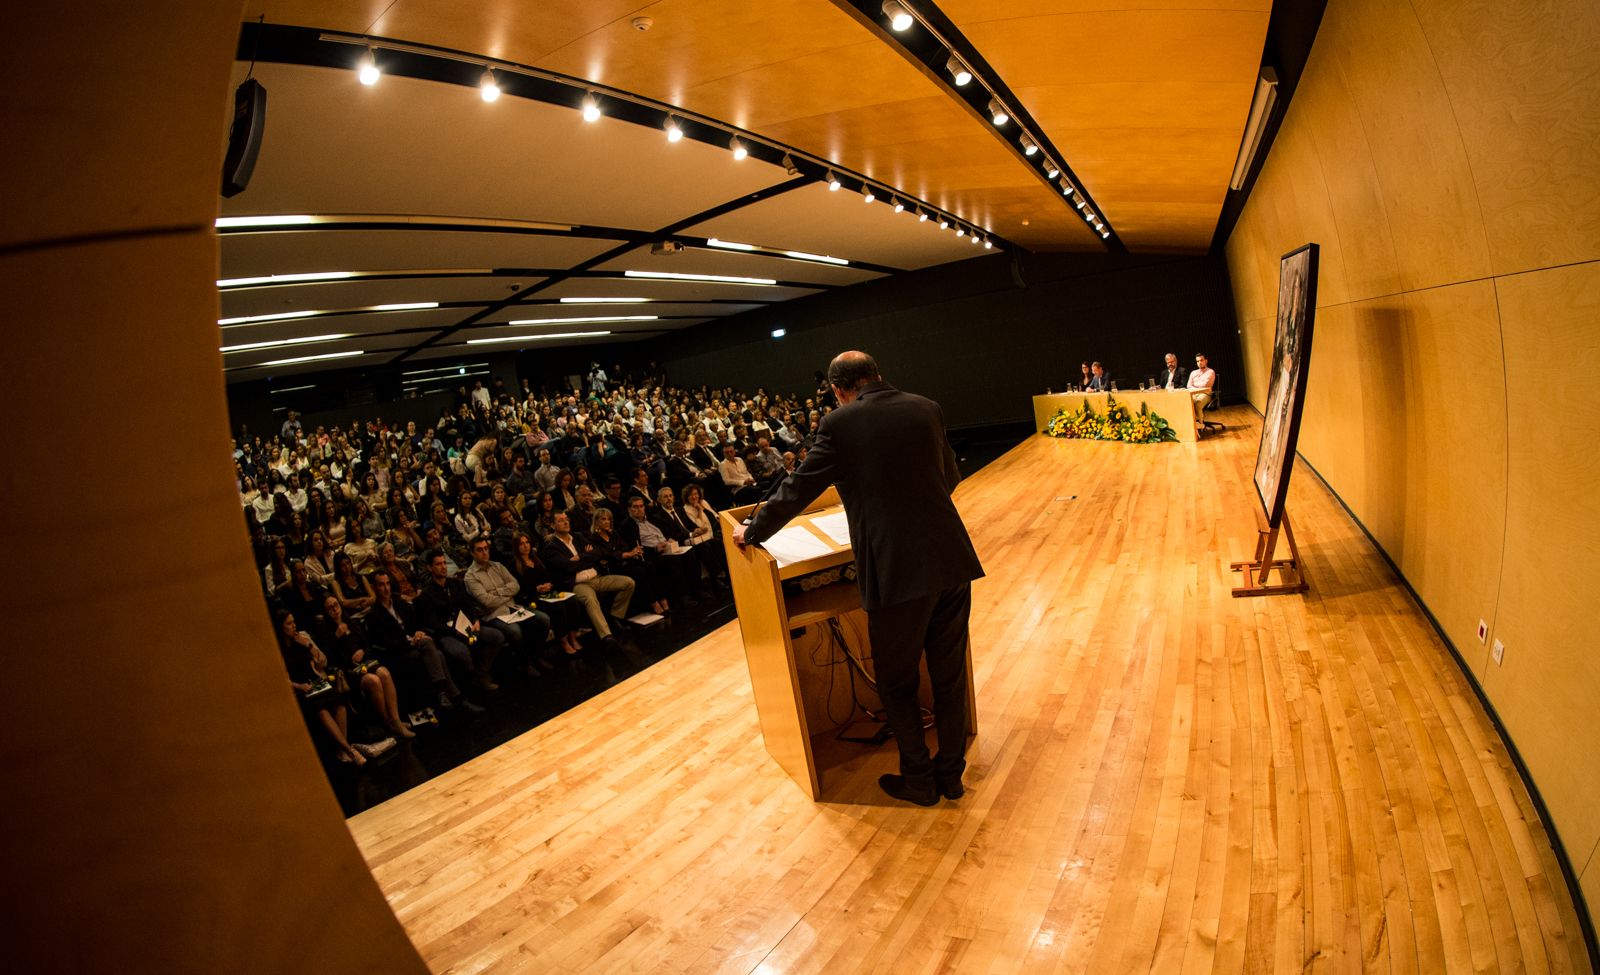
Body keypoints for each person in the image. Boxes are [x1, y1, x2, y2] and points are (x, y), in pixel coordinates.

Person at [734, 351, 984, 806]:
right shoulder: (926, 406)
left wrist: (752, 529)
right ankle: (951, 776)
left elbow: (799, 487)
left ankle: (920, 781)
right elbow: (949, 475)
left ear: (837, 389)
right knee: (948, 678)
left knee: (895, 681)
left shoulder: (840, 423)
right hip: (950, 558)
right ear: (878, 375)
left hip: (897, 570)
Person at [275, 609, 391, 766]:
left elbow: (323, 662)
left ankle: (342, 750)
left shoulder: (303, 637)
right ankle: (348, 749)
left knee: (338, 700)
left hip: (316, 680)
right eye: (289, 623)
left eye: (294, 621)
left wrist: (308, 645)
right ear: (280, 627)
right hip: (301, 687)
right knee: (321, 709)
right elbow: (280, 677)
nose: (293, 626)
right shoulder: (277, 648)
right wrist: (297, 686)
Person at [365, 569, 483, 713]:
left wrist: (420, 633)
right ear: (373, 588)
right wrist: (411, 643)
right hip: (400, 654)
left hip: (419, 645)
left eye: (388, 584)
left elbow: (419, 626)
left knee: (431, 647)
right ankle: (453, 697)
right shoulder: (373, 615)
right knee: (436, 653)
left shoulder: (400, 603)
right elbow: (385, 643)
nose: (386, 588)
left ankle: (445, 695)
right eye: (381, 585)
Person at [318, 595, 415, 741]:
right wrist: (337, 637)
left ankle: (396, 720)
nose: (335, 609)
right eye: (330, 608)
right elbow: (328, 659)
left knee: (384, 673)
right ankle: (387, 722)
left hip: (364, 663)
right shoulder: (324, 631)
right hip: (346, 672)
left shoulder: (352, 623)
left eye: (336, 605)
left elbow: (369, 646)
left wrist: (362, 651)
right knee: (374, 681)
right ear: (325, 611)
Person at [413, 548, 505, 693]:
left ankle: (480, 674)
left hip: (466, 626)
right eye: (438, 564)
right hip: (447, 633)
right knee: (461, 653)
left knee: (497, 636)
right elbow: (433, 623)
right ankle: (471, 681)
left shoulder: (455, 583)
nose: (443, 567)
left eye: (444, 563)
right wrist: (455, 632)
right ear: (430, 568)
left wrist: (475, 620)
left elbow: (468, 604)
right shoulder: (427, 594)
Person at [464, 536, 553, 678]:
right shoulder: (470, 577)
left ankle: (537, 656)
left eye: (486, 549)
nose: (485, 552)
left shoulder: (497, 566)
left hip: (513, 607)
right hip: (493, 614)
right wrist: (506, 592)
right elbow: (486, 601)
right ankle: (525, 664)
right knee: (515, 631)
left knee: (543, 619)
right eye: (480, 550)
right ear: (472, 553)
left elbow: (515, 586)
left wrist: (496, 592)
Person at [540, 511, 634, 646]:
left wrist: (579, 557)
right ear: (553, 526)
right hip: (579, 584)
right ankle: (606, 636)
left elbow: (597, 553)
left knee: (628, 582)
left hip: (596, 577)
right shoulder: (552, 547)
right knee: (591, 600)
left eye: (566, 519)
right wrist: (587, 556)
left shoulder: (577, 537)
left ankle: (615, 617)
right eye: (561, 520)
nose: (566, 522)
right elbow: (568, 567)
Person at [1187, 353, 1216, 430]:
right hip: (1194, 393)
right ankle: (1192, 425)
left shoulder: (1210, 372)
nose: (1199, 363)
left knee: (1198, 404)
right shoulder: (1193, 373)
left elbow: (1205, 384)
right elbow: (1188, 385)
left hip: (1206, 394)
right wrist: (1195, 385)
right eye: (1197, 361)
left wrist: (1194, 384)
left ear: (1206, 361)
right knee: (1188, 402)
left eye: (1201, 360)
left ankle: (1200, 425)